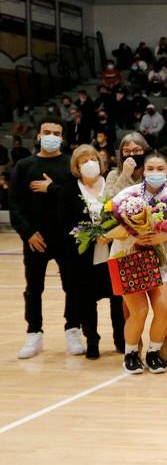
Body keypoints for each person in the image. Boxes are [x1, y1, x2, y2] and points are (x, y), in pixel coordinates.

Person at [111, 152, 167, 374]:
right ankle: (131, 353)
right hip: (128, 258)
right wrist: (134, 235)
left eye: (160, 169)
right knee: (140, 310)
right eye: (151, 169)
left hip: (160, 259)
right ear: (143, 171)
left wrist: (162, 237)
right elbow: (107, 228)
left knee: (164, 307)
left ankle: (154, 352)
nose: (155, 173)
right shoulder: (127, 195)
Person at [10, 118, 76, 359]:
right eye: (46, 132)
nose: (51, 136)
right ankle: (33, 333)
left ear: (62, 137)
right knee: (34, 288)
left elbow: (77, 199)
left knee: (72, 286)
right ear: (38, 136)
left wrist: (53, 188)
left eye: (56, 132)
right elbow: (15, 203)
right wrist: (27, 232)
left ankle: (73, 328)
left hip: (67, 237)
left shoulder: (71, 165)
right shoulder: (24, 166)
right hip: (35, 239)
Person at [56, 144, 124, 358]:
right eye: (83, 161)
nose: (90, 164)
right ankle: (92, 340)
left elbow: (122, 215)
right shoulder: (69, 189)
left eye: (93, 159)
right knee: (87, 301)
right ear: (76, 166)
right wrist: (89, 235)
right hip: (84, 258)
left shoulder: (111, 185)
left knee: (117, 300)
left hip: (113, 252)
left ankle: (121, 339)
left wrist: (109, 233)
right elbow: (64, 224)